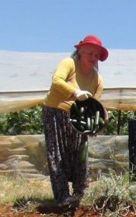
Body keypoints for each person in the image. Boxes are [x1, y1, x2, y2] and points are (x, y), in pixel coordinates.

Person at [42, 34, 107, 207]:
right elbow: (57, 81)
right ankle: (62, 197)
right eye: (90, 53)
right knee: (57, 153)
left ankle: (80, 193)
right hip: (55, 111)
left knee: (80, 154)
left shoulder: (97, 80)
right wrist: (75, 92)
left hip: (78, 119)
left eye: (96, 55)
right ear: (80, 52)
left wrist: (98, 122)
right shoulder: (69, 63)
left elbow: (94, 106)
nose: (93, 58)